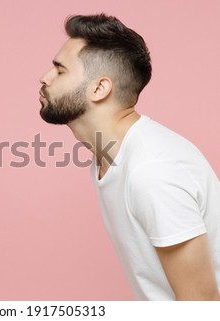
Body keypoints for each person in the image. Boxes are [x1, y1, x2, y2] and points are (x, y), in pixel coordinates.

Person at [39, 14, 220, 300]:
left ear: (99, 88)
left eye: (60, 71)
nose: (44, 78)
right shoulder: (111, 155)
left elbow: (202, 306)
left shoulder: (152, 171)